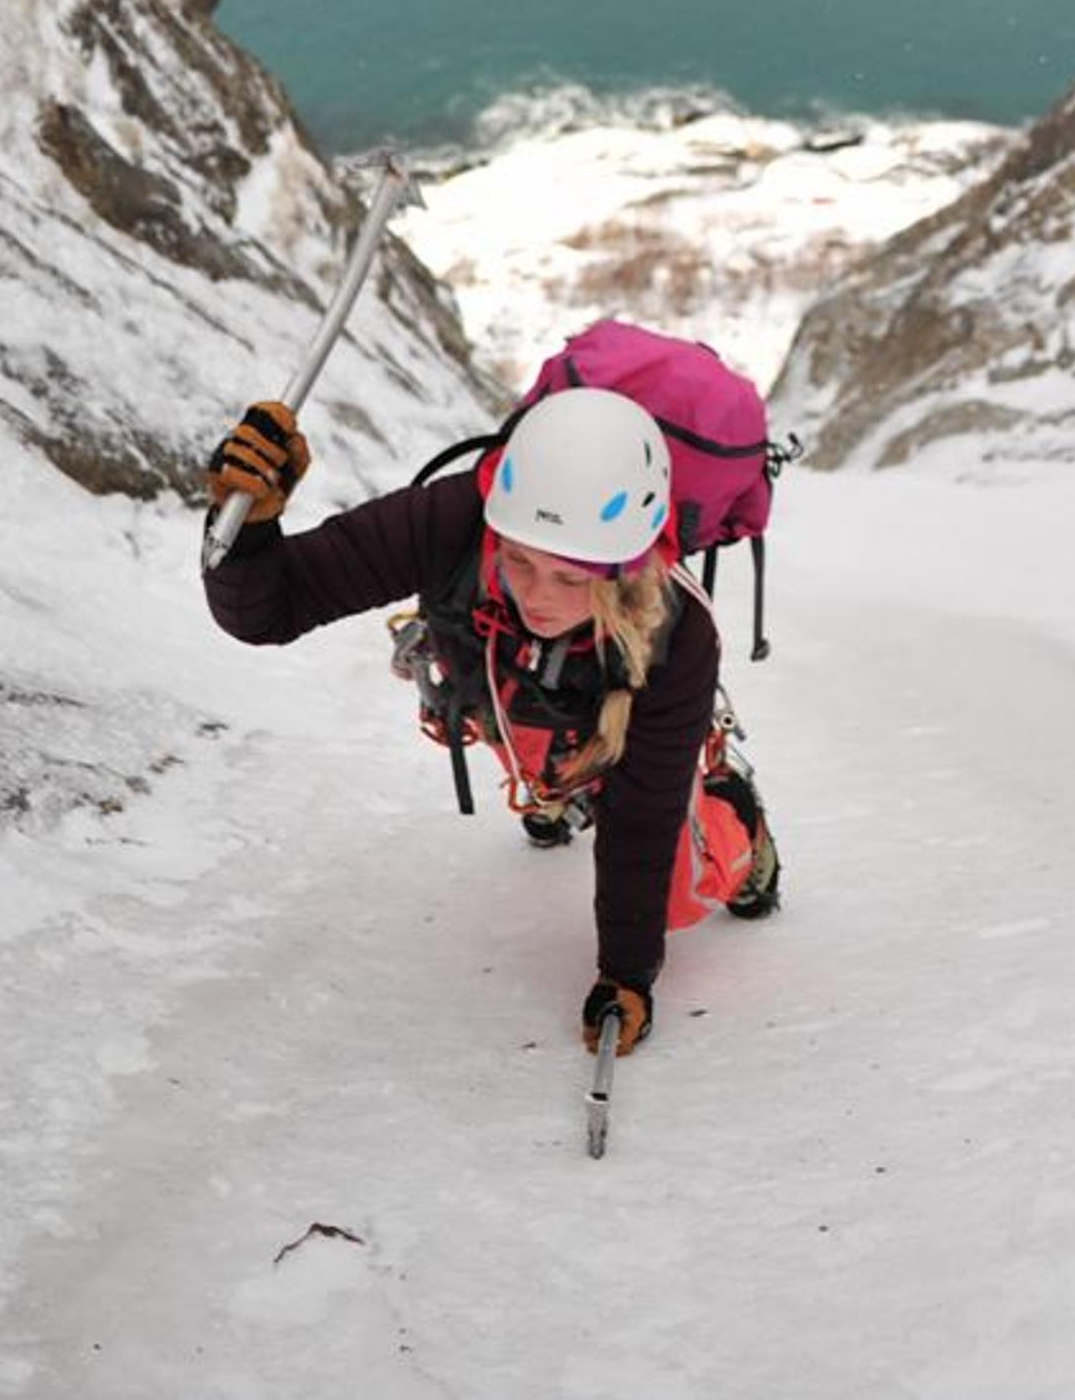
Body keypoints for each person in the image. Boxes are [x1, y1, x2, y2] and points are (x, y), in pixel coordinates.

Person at [200, 384, 778, 1057]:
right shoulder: (452, 517)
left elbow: (640, 821)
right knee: (542, 756)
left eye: (571, 580)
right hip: (500, 688)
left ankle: (742, 831)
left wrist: (626, 971)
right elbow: (270, 610)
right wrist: (242, 527)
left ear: (623, 570)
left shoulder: (678, 634)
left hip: (607, 715)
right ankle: (559, 788)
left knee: (676, 895)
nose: (537, 595)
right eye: (520, 561)